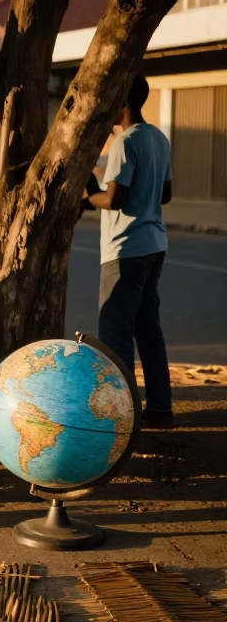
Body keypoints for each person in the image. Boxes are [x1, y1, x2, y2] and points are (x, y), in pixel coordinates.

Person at [84, 73, 174, 427]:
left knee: (116, 332)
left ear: (121, 101)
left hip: (125, 248)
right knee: (148, 329)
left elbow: (114, 199)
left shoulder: (125, 143)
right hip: (155, 245)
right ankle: (160, 409)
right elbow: (165, 194)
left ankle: (123, 417)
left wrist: (88, 196)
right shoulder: (158, 138)